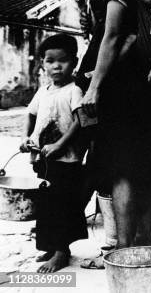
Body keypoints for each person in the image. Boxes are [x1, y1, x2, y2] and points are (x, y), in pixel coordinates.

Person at [79, 0, 151, 264]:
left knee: (121, 169)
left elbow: (114, 37)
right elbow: (126, 37)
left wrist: (95, 86)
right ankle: (137, 240)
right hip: (139, 90)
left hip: (121, 92)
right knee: (137, 164)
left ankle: (123, 249)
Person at [20, 34, 87, 273]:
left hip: (66, 160)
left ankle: (61, 252)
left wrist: (60, 144)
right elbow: (30, 114)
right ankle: (50, 246)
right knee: (46, 205)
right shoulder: (43, 91)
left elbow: (80, 120)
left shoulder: (74, 90)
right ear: (42, 64)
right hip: (43, 159)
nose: (56, 66)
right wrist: (26, 139)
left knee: (63, 205)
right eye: (50, 61)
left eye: (63, 60)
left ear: (75, 62)